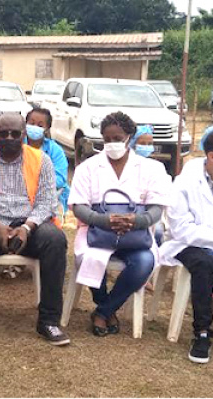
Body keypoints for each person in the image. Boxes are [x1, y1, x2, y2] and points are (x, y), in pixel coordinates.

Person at [0, 112, 69, 346]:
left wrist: (27, 227)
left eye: (15, 134)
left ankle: (49, 321)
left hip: (31, 225)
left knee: (55, 240)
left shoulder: (41, 159)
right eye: (3, 133)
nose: (9, 138)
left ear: (23, 135)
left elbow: (47, 202)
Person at [68, 112, 170, 337]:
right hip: (96, 232)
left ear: (129, 137)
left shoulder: (151, 168)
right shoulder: (88, 167)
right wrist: (103, 221)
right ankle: (106, 308)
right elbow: (78, 206)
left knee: (144, 262)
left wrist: (136, 221)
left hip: (136, 235)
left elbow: (156, 209)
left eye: (117, 138)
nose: (112, 144)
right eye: (107, 139)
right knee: (90, 258)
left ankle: (103, 311)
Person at [160, 127, 213, 363]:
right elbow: (181, 228)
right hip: (185, 243)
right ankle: (202, 332)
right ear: (210, 156)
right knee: (204, 262)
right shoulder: (185, 182)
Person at [25, 107, 70, 214]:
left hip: (49, 194)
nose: (35, 127)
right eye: (31, 123)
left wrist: (35, 186)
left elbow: (60, 179)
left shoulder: (55, 150)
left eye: (40, 125)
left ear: (47, 128)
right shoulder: (17, 146)